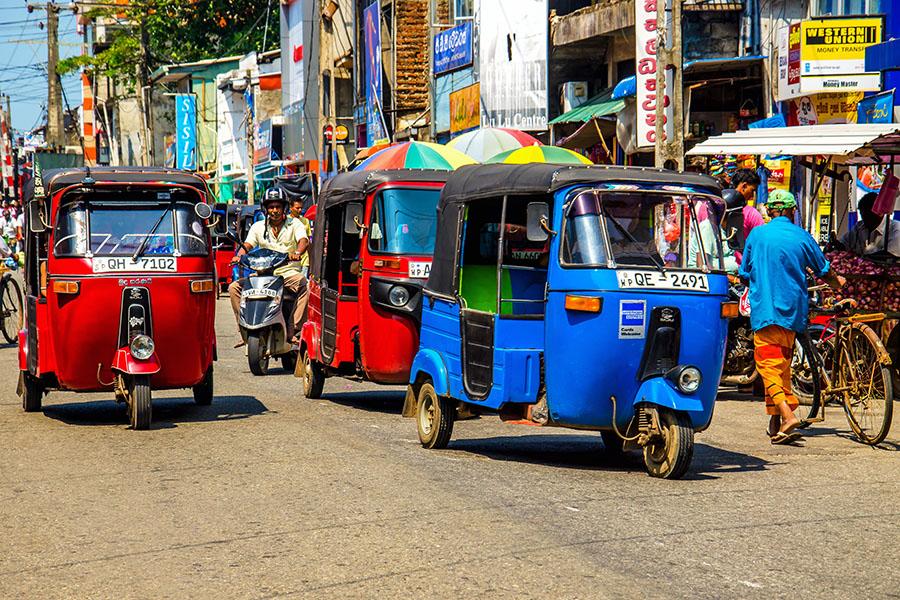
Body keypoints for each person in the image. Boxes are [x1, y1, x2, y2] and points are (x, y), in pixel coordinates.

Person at [739, 190, 845, 444]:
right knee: (781, 365)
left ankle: (787, 416)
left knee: (768, 366)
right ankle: (776, 424)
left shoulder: (757, 234)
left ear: (771, 211)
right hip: (793, 311)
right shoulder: (801, 235)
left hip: (766, 310)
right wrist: (839, 283)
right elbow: (824, 270)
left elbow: (744, 273)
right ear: (791, 211)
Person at [228, 188, 310, 348]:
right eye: (271, 207)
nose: (275, 211)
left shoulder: (295, 224)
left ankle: (294, 329)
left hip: (287, 273)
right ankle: (244, 329)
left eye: (278, 207)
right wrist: (239, 255)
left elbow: (303, 240)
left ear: (284, 208)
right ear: (266, 209)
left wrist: (298, 252)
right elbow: (248, 244)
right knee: (233, 288)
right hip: (262, 274)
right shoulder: (258, 227)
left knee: (304, 285)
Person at [839, 192, 900, 257]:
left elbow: (890, 255)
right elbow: (844, 244)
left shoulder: (896, 229)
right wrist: (837, 245)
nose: (864, 219)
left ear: (880, 213)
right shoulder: (860, 227)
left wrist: (862, 258)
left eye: (868, 215)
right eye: (862, 215)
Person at [288, 196, 312, 277]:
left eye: (301, 208)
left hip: (304, 261)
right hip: (290, 262)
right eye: (297, 208)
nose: (300, 210)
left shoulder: (305, 221)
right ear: (291, 208)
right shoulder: (286, 221)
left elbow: (308, 241)